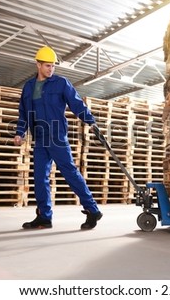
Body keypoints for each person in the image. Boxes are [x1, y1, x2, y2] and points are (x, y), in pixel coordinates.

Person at [14, 45, 103, 230]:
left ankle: (92, 210)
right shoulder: (29, 87)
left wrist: (90, 121)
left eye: (53, 66)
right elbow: (23, 111)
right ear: (38, 65)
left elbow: (76, 103)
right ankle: (44, 217)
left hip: (56, 135)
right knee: (39, 177)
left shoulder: (61, 83)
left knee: (70, 172)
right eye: (47, 65)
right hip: (39, 137)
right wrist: (20, 132)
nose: (51, 69)